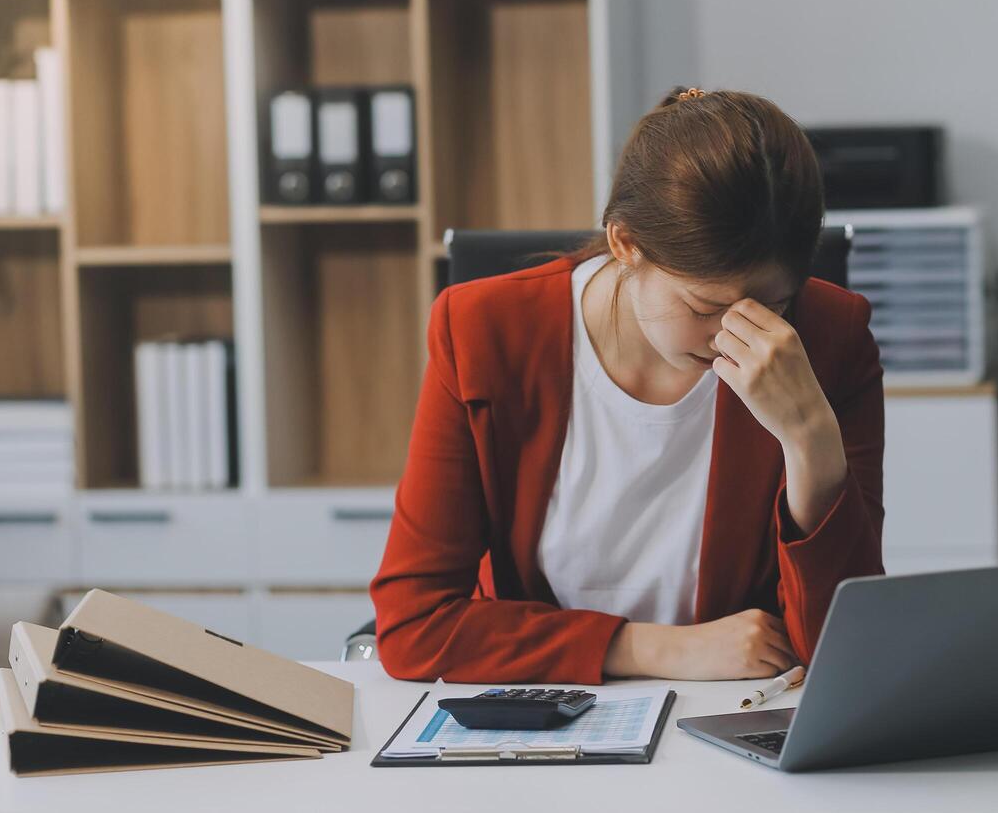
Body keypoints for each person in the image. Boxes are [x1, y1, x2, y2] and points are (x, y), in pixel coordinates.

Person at [372, 86, 884, 684]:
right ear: (625, 243)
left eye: (773, 304)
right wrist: (649, 650)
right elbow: (415, 626)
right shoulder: (484, 331)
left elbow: (844, 653)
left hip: (734, 724)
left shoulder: (828, 339)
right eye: (704, 304)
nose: (736, 337)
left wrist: (810, 442)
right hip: (542, 725)